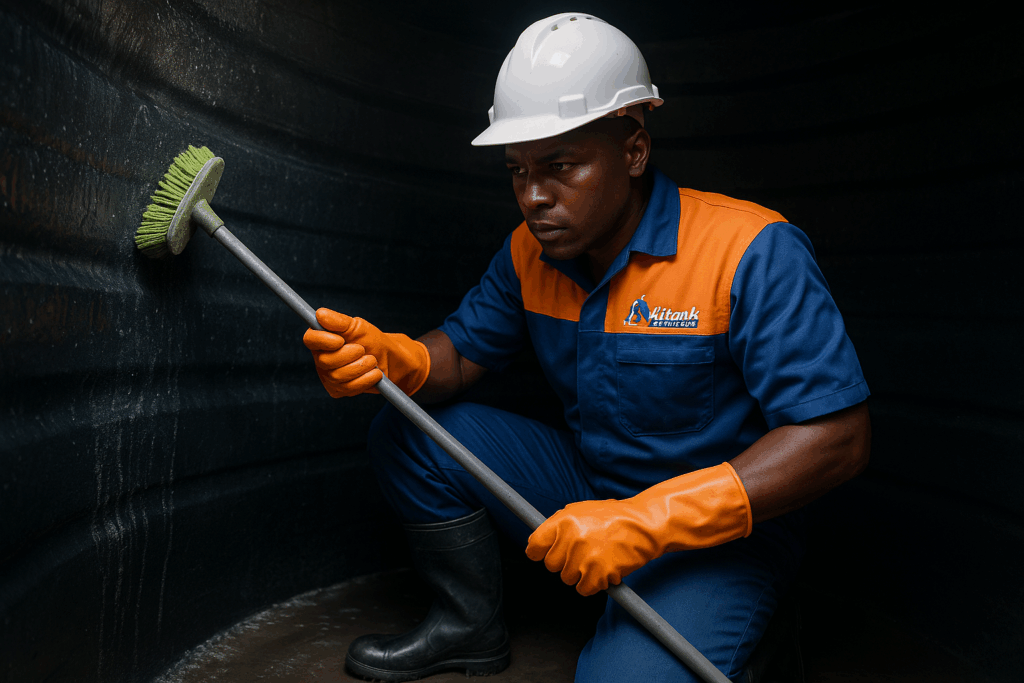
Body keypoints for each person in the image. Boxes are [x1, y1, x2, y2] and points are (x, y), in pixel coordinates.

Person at [303, 12, 871, 683]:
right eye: (517, 170)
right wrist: (402, 362)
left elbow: (837, 438)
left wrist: (652, 519)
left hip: (720, 533)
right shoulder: (530, 252)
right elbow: (457, 356)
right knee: (412, 431)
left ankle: (753, 627)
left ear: (633, 149)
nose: (533, 196)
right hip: (592, 488)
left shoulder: (747, 249)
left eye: (560, 165)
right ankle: (468, 626)